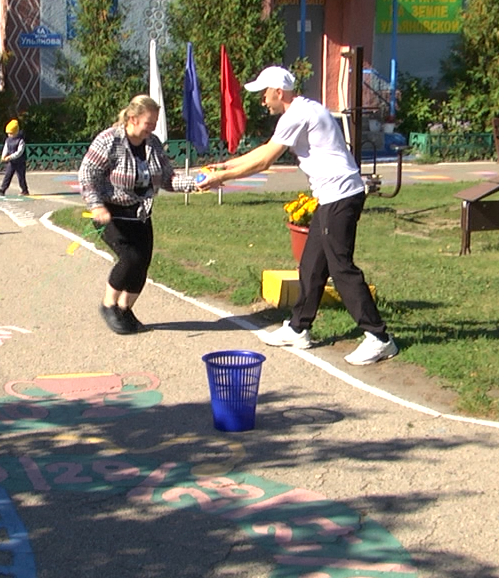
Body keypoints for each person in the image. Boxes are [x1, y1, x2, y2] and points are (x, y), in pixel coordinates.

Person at [200, 66, 397, 366]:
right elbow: (266, 150)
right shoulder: (301, 110)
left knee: (340, 267)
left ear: (279, 92)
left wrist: (221, 180)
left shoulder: (297, 115)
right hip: (330, 196)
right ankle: (298, 328)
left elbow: (265, 161)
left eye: (265, 94)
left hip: (340, 196)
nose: (263, 100)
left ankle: (379, 338)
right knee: (311, 265)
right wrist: (226, 167)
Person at [79, 95, 198, 335]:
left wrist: (196, 184)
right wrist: (96, 205)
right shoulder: (109, 141)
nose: (152, 127)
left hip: (140, 214)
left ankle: (125, 309)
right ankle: (108, 304)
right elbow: (86, 175)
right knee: (130, 258)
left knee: (142, 264)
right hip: (111, 213)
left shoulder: (152, 143)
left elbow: (167, 178)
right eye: (149, 122)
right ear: (133, 119)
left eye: (154, 122)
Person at [0, 119, 30, 196]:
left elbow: (19, 152)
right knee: (8, 175)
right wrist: (3, 156)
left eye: (11, 133)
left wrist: (10, 157)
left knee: (21, 177)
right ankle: (3, 189)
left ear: (16, 132)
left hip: (20, 162)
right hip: (12, 162)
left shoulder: (21, 141)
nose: (9, 135)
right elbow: (6, 148)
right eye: (8, 133)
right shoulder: (8, 140)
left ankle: (24, 190)